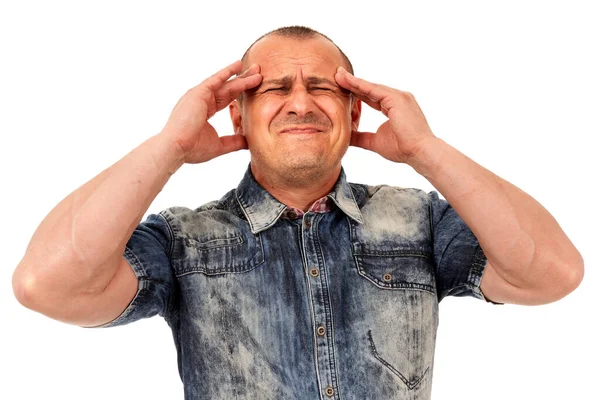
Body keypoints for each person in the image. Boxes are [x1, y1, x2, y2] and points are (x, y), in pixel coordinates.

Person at [12, 26, 584, 400]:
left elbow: (553, 272)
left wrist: (425, 151)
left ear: (353, 108)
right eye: (275, 88)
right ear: (236, 116)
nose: (301, 102)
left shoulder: (420, 221)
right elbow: (47, 284)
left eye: (322, 87)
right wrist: (170, 146)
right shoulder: (183, 240)